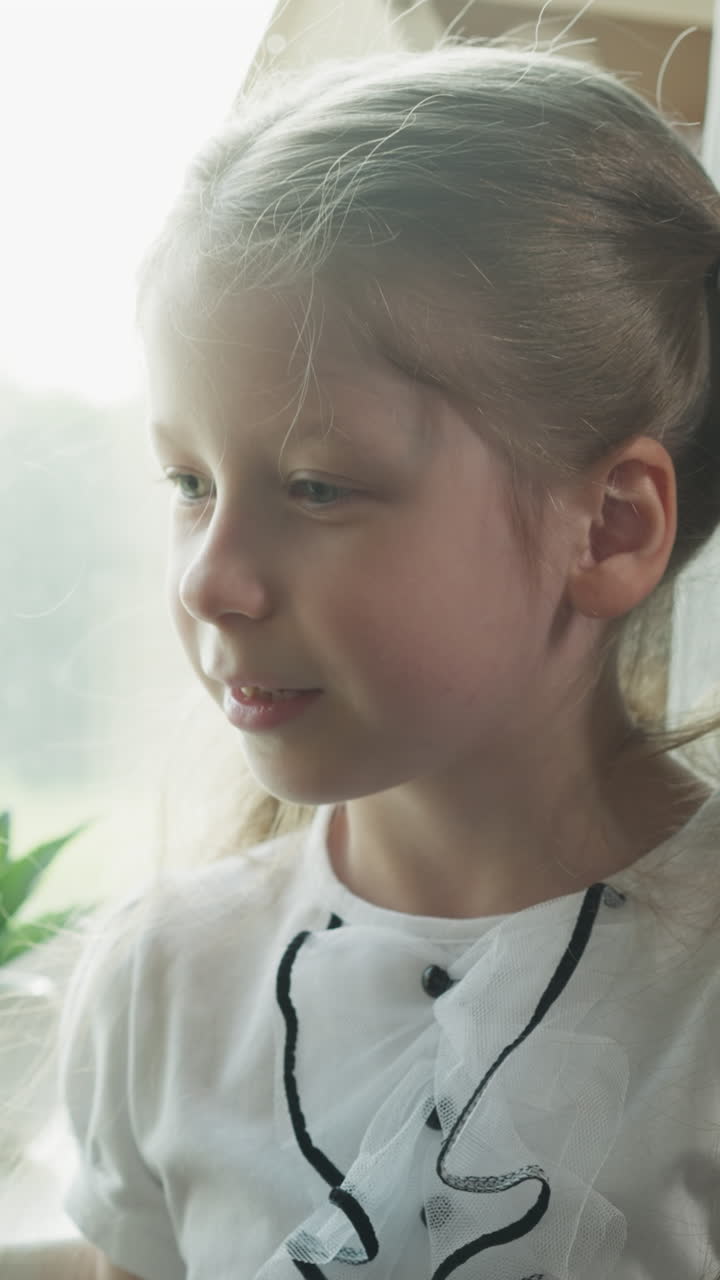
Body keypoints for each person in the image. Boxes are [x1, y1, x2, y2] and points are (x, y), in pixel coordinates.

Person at [22, 40, 720, 1280]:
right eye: (188, 483)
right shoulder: (164, 981)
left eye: (315, 485)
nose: (208, 578)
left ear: (608, 525)